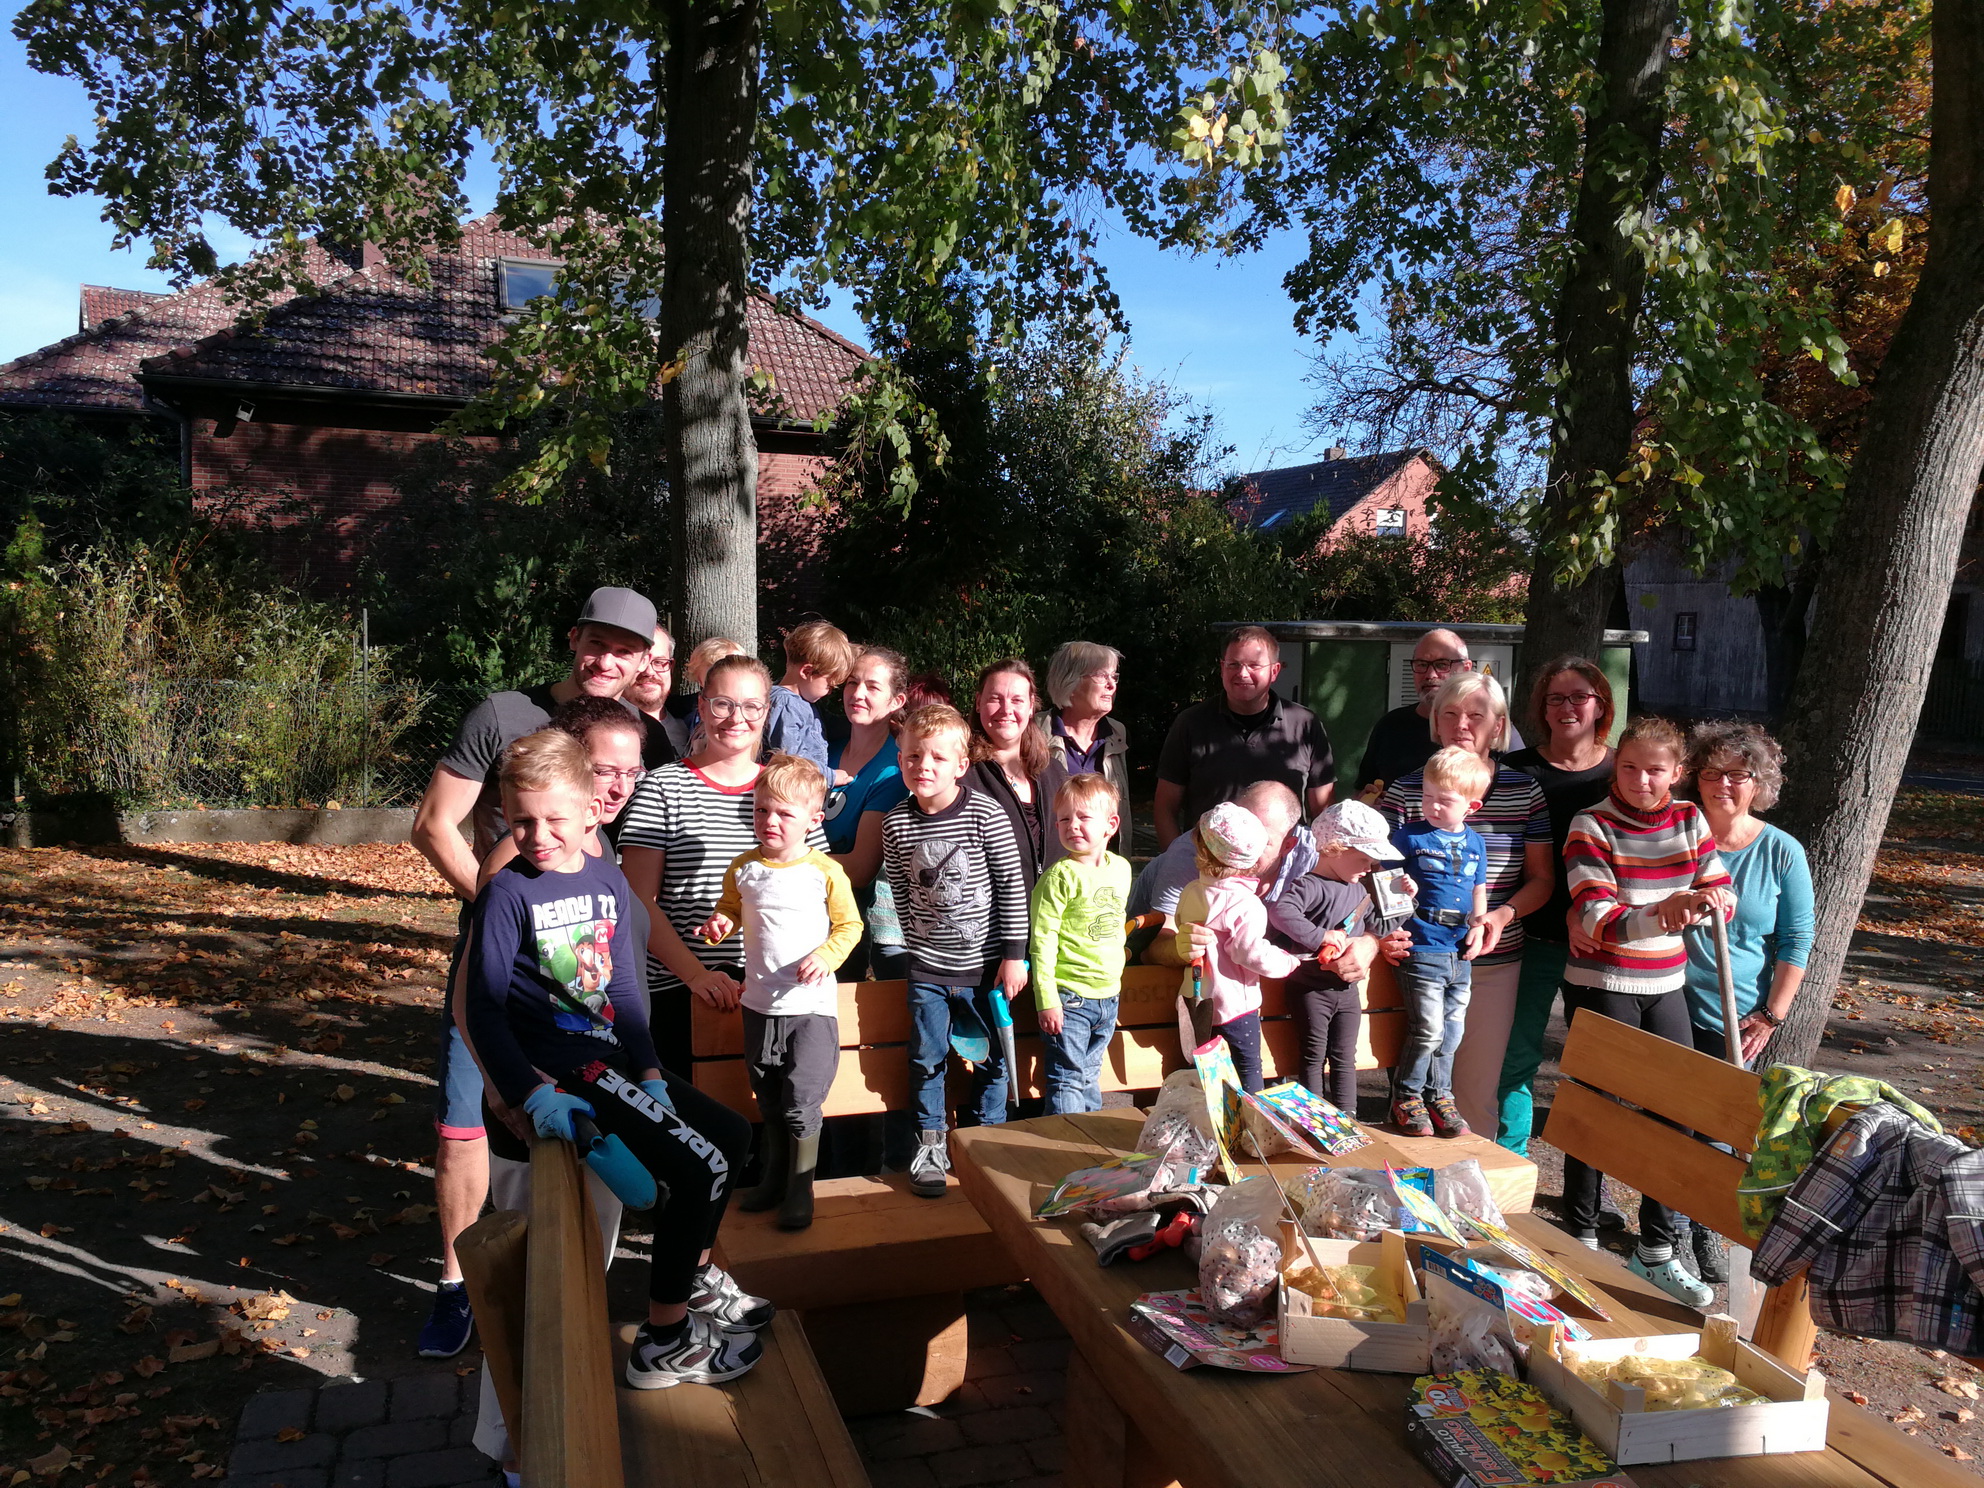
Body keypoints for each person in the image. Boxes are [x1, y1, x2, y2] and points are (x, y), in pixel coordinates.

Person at [459, 728, 767, 1389]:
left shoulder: (606, 878)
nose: (537, 835)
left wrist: (652, 1067)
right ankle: (665, 1337)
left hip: (617, 1061)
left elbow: (622, 986)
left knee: (733, 1136)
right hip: (569, 1074)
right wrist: (526, 1093)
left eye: (553, 819)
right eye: (521, 821)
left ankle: (696, 1276)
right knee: (698, 1168)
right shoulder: (508, 894)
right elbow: (482, 1008)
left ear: (592, 811)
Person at [407, 584, 657, 1360]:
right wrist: (503, 909)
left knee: (557, 1137)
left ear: (645, 663)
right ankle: (458, 1287)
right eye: (597, 640)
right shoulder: (504, 715)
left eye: (626, 649)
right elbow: (432, 823)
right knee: (466, 1126)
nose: (606, 659)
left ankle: (559, 1293)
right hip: (495, 965)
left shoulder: (638, 734)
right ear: (574, 635)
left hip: (579, 978)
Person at [1558, 715, 1733, 1308]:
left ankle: (1656, 1249)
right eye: (1628, 767)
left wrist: (1712, 900)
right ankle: (1579, 1234)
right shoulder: (1591, 824)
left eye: (1655, 770)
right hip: (1604, 980)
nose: (1639, 779)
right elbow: (1595, 918)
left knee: (1675, 1112)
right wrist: (1668, 910)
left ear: (1677, 773)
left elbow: (1719, 885)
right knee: (1597, 1106)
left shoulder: (1690, 819)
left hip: (1667, 982)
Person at [619, 655, 829, 1076]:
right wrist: (697, 976)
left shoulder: (789, 790)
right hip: (683, 989)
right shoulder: (663, 787)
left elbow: (819, 891)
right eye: (723, 704)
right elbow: (637, 900)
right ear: (701, 706)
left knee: (771, 1117)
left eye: (751, 706)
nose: (737, 718)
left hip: (775, 992)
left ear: (766, 711)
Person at [1377, 671, 1551, 1137]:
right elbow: (1369, 874)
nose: (1462, 724)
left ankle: (1470, 1200)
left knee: (1474, 1089)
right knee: (1417, 1064)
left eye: (1476, 715)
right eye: (1449, 713)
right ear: (1434, 721)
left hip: (1493, 958)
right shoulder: (1407, 791)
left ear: (1498, 726)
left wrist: (1498, 914)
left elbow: (1542, 879)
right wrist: (1383, 933)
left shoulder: (1523, 789)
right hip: (1417, 953)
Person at [699, 754, 863, 1230]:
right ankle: (772, 1179)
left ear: (813, 820)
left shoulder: (825, 871)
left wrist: (827, 956)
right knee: (767, 1098)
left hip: (809, 1009)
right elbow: (731, 911)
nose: (770, 821)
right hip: (759, 1005)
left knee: (800, 1100)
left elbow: (849, 927)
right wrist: (718, 926)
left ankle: (800, 1188)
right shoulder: (745, 867)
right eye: (761, 810)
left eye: (784, 814)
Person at [1678, 720, 1813, 1284]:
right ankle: (1665, 1236)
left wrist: (1770, 1015)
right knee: (1667, 1119)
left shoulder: (1781, 851)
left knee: (1718, 1131)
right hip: (1665, 998)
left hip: (1736, 1015)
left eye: (1739, 775)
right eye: (1712, 772)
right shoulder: (1677, 833)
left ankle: (1705, 1227)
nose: (1724, 784)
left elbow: (1796, 939)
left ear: (1760, 784)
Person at [883, 703, 1030, 1197]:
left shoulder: (986, 814)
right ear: (899, 758)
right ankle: (930, 1143)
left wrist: (1013, 955)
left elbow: (1012, 885)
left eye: (937, 759)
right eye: (912, 757)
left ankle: (984, 1139)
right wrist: (916, 948)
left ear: (960, 765)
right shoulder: (895, 825)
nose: (923, 767)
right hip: (927, 968)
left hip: (985, 968)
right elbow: (902, 893)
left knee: (991, 1060)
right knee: (927, 1057)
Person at [1497, 657, 1617, 1156]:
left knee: (1596, 1067)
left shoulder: (1623, 770)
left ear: (1600, 705)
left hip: (1604, 944)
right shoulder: (1514, 772)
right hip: (1533, 937)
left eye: (1579, 697)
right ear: (1542, 709)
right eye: (1555, 698)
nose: (1567, 707)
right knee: (1517, 1056)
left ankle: (1589, 1182)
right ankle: (1509, 1161)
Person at [1264, 800, 1399, 1114]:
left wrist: (1407, 901)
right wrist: (1320, 936)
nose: (1370, 868)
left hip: (1346, 990)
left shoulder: (1359, 890)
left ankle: (1347, 1116)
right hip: (1311, 988)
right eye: (1364, 859)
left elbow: (1380, 927)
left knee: (1344, 1055)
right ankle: (1313, 1116)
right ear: (1335, 849)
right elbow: (1281, 912)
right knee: (1313, 1054)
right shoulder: (1310, 885)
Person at [1388, 747, 1494, 1139]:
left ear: (1472, 806)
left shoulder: (1476, 844)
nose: (1432, 806)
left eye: (1444, 800)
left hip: (1460, 950)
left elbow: (1479, 889)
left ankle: (1439, 1096)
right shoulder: (1410, 836)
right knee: (1428, 1028)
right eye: (1427, 796)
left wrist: (1480, 924)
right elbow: (1384, 882)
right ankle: (1407, 1095)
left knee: (1452, 1031)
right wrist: (1404, 887)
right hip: (1422, 945)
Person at [1153, 625, 1335, 848]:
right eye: (1234, 664)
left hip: (1284, 869)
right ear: (1222, 668)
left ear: (1274, 671)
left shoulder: (1305, 725)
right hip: (1208, 870)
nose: (1242, 673)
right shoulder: (1191, 723)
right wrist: (1176, 861)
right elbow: (1165, 808)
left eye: (1254, 665)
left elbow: (1323, 810)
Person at [1171, 803, 1305, 1094]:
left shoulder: (1192, 891)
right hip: (1235, 1006)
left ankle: (1211, 1128)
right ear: (1252, 858)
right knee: (1248, 1069)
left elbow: (1182, 924)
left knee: (1207, 1073)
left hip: (1197, 1001)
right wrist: (1286, 962)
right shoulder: (1245, 904)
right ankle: (1252, 1124)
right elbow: (1248, 952)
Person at [1031, 774, 1133, 1114]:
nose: (1072, 825)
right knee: (1067, 1078)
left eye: (1083, 817)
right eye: (1064, 819)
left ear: (1111, 825)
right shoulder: (1059, 877)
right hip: (1069, 996)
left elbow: (1115, 927)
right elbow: (1042, 940)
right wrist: (1047, 999)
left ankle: (1090, 1145)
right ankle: (1066, 1149)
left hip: (1108, 995)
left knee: (1090, 1075)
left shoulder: (1120, 869)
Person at [1132, 781, 1302, 967]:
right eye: (1235, 830)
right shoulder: (1196, 854)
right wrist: (1181, 948)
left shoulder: (1315, 852)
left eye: (1260, 839)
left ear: (1288, 846)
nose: (1241, 844)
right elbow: (1152, 951)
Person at [824, 647, 911, 976]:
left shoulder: (894, 770)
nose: (857, 694)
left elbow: (860, 868)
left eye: (873, 687)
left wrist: (786, 858)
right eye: (851, 683)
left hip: (849, 927)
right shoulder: (823, 748)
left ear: (896, 701)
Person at [1038, 641, 1132, 862]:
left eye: (1114, 677)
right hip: (1050, 868)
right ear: (1070, 680)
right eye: (1102, 676)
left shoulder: (1116, 733)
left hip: (1104, 870)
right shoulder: (1034, 733)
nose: (1112, 685)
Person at [1355, 628, 1475, 798]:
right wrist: (1366, 803)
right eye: (1421, 664)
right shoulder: (1390, 726)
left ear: (1466, 668)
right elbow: (1362, 792)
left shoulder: (1485, 727)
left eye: (1442, 665)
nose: (1430, 674)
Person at [965, 658, 1052, 891]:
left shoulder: (1053, 773)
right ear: (978, 703)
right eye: (995, 698)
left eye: (1017, 700)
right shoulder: (960, 774)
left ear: (1031, 706)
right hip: (990, 921)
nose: (1006, 710)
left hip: (1051, 921)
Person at [766, 621, 855, 775]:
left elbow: (832, 725)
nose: (829, 692)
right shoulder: (786, 705)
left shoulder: (804, 701)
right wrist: (831, 776)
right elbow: (791, 760)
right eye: (829, 685)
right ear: (807, 672)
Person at [627, 624, 688, 766]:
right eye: (641, 662)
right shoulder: (603, 726)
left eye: (659, 662)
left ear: (671, 667)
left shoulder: (694, 721)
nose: (649, 671)